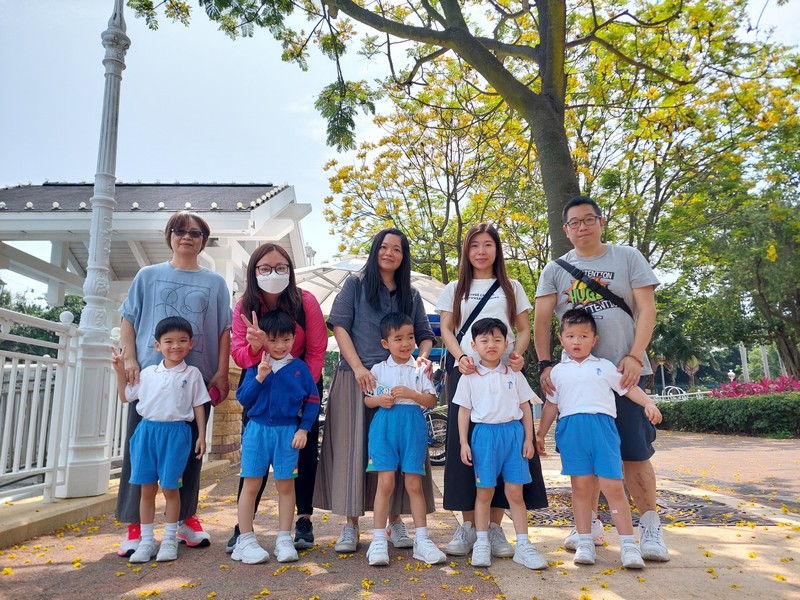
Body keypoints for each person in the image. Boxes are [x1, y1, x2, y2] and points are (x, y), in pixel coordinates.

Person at [533, 195, 669, 561]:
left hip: (624, 373)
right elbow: (542, 321)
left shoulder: (628, 257)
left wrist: (635, 355)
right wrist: (545, 365)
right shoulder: (555, 269)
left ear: (601, 222)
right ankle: (589, 525)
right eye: (574, 223)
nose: (582, 227)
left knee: (634, 453)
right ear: (566, 230)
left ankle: (650, 527)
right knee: (584, 458)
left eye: (588, 219)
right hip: (578, 382)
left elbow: (647, 309)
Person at [116, 211, 232, 557]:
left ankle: (185, 518)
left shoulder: (215, 283)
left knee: (191, 454)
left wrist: (221, 371)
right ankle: (136, 524)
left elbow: (224, 330)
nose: (187, 237)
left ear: (203, 240)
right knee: (140, 453)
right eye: (180, 231)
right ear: (169, 236)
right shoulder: (147, 275)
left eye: (195, 233)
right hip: (149, 379)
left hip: (195, 379)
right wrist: (130, 358)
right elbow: (128, 319)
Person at [314, 228, 437, 554]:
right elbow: (339, 326)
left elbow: (425, 334)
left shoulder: (410, 294)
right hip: (357, 379)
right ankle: (350, 524)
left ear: (403, 256)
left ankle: (395, 521)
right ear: (375, 250)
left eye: (397, 249)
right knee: (353, 451)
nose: (389, 253)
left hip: (399, 383)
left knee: (399, 456)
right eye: (384, 247)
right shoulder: (354, 284)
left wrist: (422, 359)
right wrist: (358, 368)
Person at [436, 223, 547, 559]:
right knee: (466, 449)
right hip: (467, 374)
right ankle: (469, 526)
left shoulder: (511, 287)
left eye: (487, 245)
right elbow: (446, 328)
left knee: (507, 447)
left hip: (504, 374)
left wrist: (518, 355)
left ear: (497, 250)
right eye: (474, 246)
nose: (481, 251)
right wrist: (460, 357)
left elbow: (523, 329)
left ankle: (496, 528)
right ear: (466, 252)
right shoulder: (454, 288)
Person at [535, 309, 662, 568]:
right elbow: (551, 405)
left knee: (613, 487)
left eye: (583, 336)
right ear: (561, 340)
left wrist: (648, 403)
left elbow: (628, 388)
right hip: (572, 432)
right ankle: (585, 542)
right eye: (571, 336)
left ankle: (628, 545)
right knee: (580, 488)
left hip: (603, 431)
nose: (577, 341)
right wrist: (539, 434)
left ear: (594, 340)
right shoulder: (556, 372)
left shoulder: (604, 367)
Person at [226, 243, 327, 553]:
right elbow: (239, 354)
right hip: (260, 376)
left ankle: (303, 519)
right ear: (254, 271)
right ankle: (244, 528)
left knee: (302, 450)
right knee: (254, 450)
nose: (273, 273)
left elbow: (317, 349)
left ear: (290, 270)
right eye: (265, 268)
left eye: (281, 267)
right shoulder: (244, 306)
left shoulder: (305, 301)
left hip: (300, 378)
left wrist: (299, 387)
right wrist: (257, 348)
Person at [452, 318, 548, 570]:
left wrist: (529, 438)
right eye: (484, 340)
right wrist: (463, 443)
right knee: (484, 492)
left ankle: (524, 545)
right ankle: (482, 542)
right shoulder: (469, 376)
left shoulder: (514, 374)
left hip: (513, 436)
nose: (491, 345)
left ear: (506, 344)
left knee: (515, 492)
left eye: (497, 340)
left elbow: (525, 407)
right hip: (484, 437)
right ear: (474, 345)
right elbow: (463, 411)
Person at [111, 317, 208, 563]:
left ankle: (169, 539)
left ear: (190, 344)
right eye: (169, 341)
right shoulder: (147, 373)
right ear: (157, 345)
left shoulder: (192, 373)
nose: (176, 346)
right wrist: (119, 371)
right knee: (146, 489)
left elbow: (199, 405)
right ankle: (146, 541)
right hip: (146, 434)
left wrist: (201, 435)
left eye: (182, 341)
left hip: (176, 435)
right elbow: (125, 396)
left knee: (171, 488)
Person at [232, 311, 321, 564]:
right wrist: (260, 376)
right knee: (251, 484)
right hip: (257, 431)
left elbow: (313, 400)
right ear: (264, 340)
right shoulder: (254, 364)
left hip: (287, 434)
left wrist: (303, 429)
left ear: (294, 338)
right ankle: (245, 539)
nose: (280, 346)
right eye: (273, 340)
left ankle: (283, 539)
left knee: (286, 485)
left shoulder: (299, 368)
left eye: (286, 339)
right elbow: (243, 398)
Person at [365, 313, 446, 567]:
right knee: (385, 482)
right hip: (384, 427)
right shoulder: (378, 369)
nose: (405, 343)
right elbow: (368, 400)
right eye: (398, 338)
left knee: (414, 483)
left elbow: (431, 400)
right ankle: (379, 539)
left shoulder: (420, 368)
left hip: (413, 426)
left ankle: (422, 539)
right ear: (385, 343)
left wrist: (412, 394)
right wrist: (379, 400)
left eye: (410, 337)